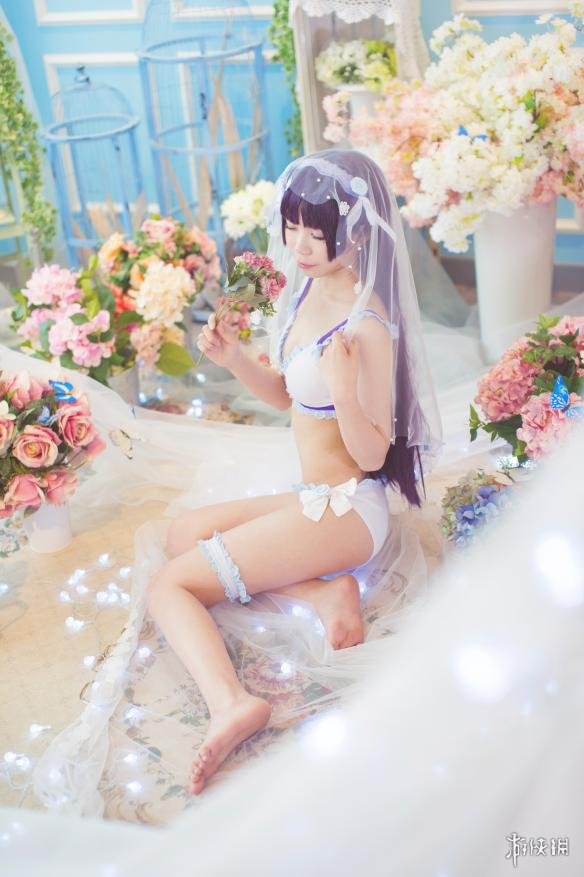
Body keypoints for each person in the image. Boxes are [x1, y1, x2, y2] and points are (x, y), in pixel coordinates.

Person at [146, 149, 441, 796]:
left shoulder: (367, 322)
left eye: (316, 231)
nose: (299, 245)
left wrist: (344, 390)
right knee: (182, 534)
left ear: (355, 231)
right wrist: (234, 360)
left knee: (170, 587)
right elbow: (286, 396)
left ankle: (231, 703)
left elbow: (372, 453)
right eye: (292, 227)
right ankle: (322, 595)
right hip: (315, 495)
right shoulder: (306, 289)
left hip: (350, 507)